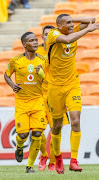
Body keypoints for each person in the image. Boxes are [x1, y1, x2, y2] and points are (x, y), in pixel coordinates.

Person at [46, 13, 99, 174]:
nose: (71, 26)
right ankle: (57, 158)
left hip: (72, 85)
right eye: (67, 24)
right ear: (59, 26)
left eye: (72, 23)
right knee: (56, 126)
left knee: (76, 121)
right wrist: (87, 29)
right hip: (55, 87)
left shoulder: (73, 30)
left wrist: (72, 21)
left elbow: (93, 19)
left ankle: (73, 161)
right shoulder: (53, 34)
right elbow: (68, 40)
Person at [4, 32, 47, 173]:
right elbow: (6, 74)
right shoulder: (15, 60)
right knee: (23, 135)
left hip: (37, 102)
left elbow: (49, 80)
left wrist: (42, 75)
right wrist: (12, 85)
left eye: (36, 40)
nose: (35, 42)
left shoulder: (42, 59)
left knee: (37, 134)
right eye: (31, 41)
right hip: (22, 103)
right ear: (24, 44)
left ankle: (29, 166)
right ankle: (20, 147)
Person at [36, 25, 70, 171]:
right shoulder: (35, 52)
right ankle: (43, 155)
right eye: (45, 34)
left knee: (56, 129)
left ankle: (52, 161)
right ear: (42, 36)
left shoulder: (59, 48)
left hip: (55, 95)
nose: (47, 36)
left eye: (50, 34)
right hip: (38, 97)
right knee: (37, 129)